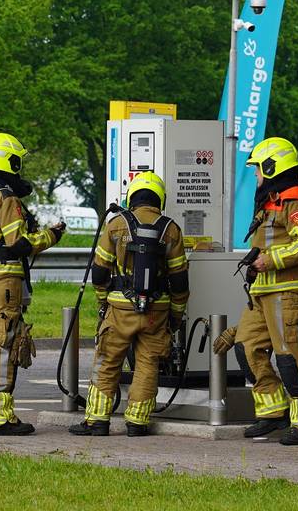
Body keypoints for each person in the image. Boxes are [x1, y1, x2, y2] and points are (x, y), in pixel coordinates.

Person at [69, 171, 188, 437]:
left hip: (120, 309)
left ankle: (97, 420)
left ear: (130, 197)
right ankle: (137, 422)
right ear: (160, 199)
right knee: (148, 364)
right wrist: (176, 315)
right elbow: (180, 281)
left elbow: (99, 273)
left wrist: (103, 303)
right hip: (157, 312)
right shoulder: (171, 229)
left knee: (108, 360)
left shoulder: (115, 224)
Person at [0, 132, 65, 436]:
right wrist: (51, 235)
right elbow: (18, 243)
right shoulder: (4, 198)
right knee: (4, 346)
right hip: (3, 286)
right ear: (9, 161)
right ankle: (2, 417)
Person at [235, 137, 298, 445]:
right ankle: (272, 412)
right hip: (264, 293)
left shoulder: (294, 201)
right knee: (246, 346)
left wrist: (267, 260)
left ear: (272, 168)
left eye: (258, 170)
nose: (256, 176)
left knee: (290, 358)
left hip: (289, 294)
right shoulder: (271, 202)